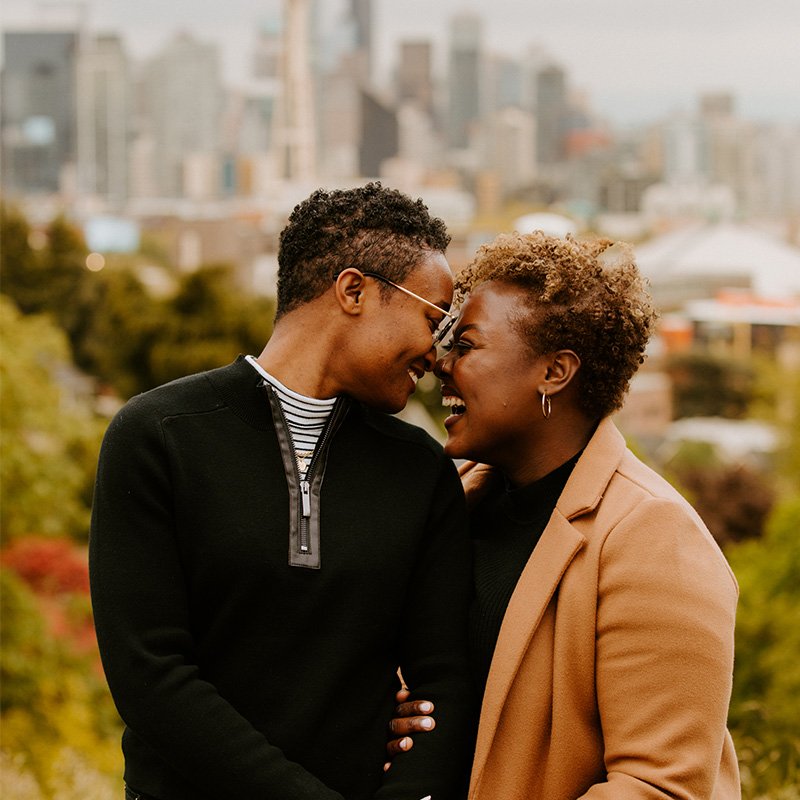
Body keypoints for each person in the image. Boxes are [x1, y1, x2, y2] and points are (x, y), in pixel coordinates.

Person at [89, 183, 476, 800]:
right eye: (434, 320)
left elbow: (444, 677)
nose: (437, 352)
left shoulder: (420, 470)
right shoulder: (157, 437)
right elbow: (150, 675)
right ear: (354, 291)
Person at [388, 231, 740, 798]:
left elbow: (660, 787)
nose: (440, 363)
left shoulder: (652, 537)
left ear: (555, 373)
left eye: (468, 345)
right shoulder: (455, 502)